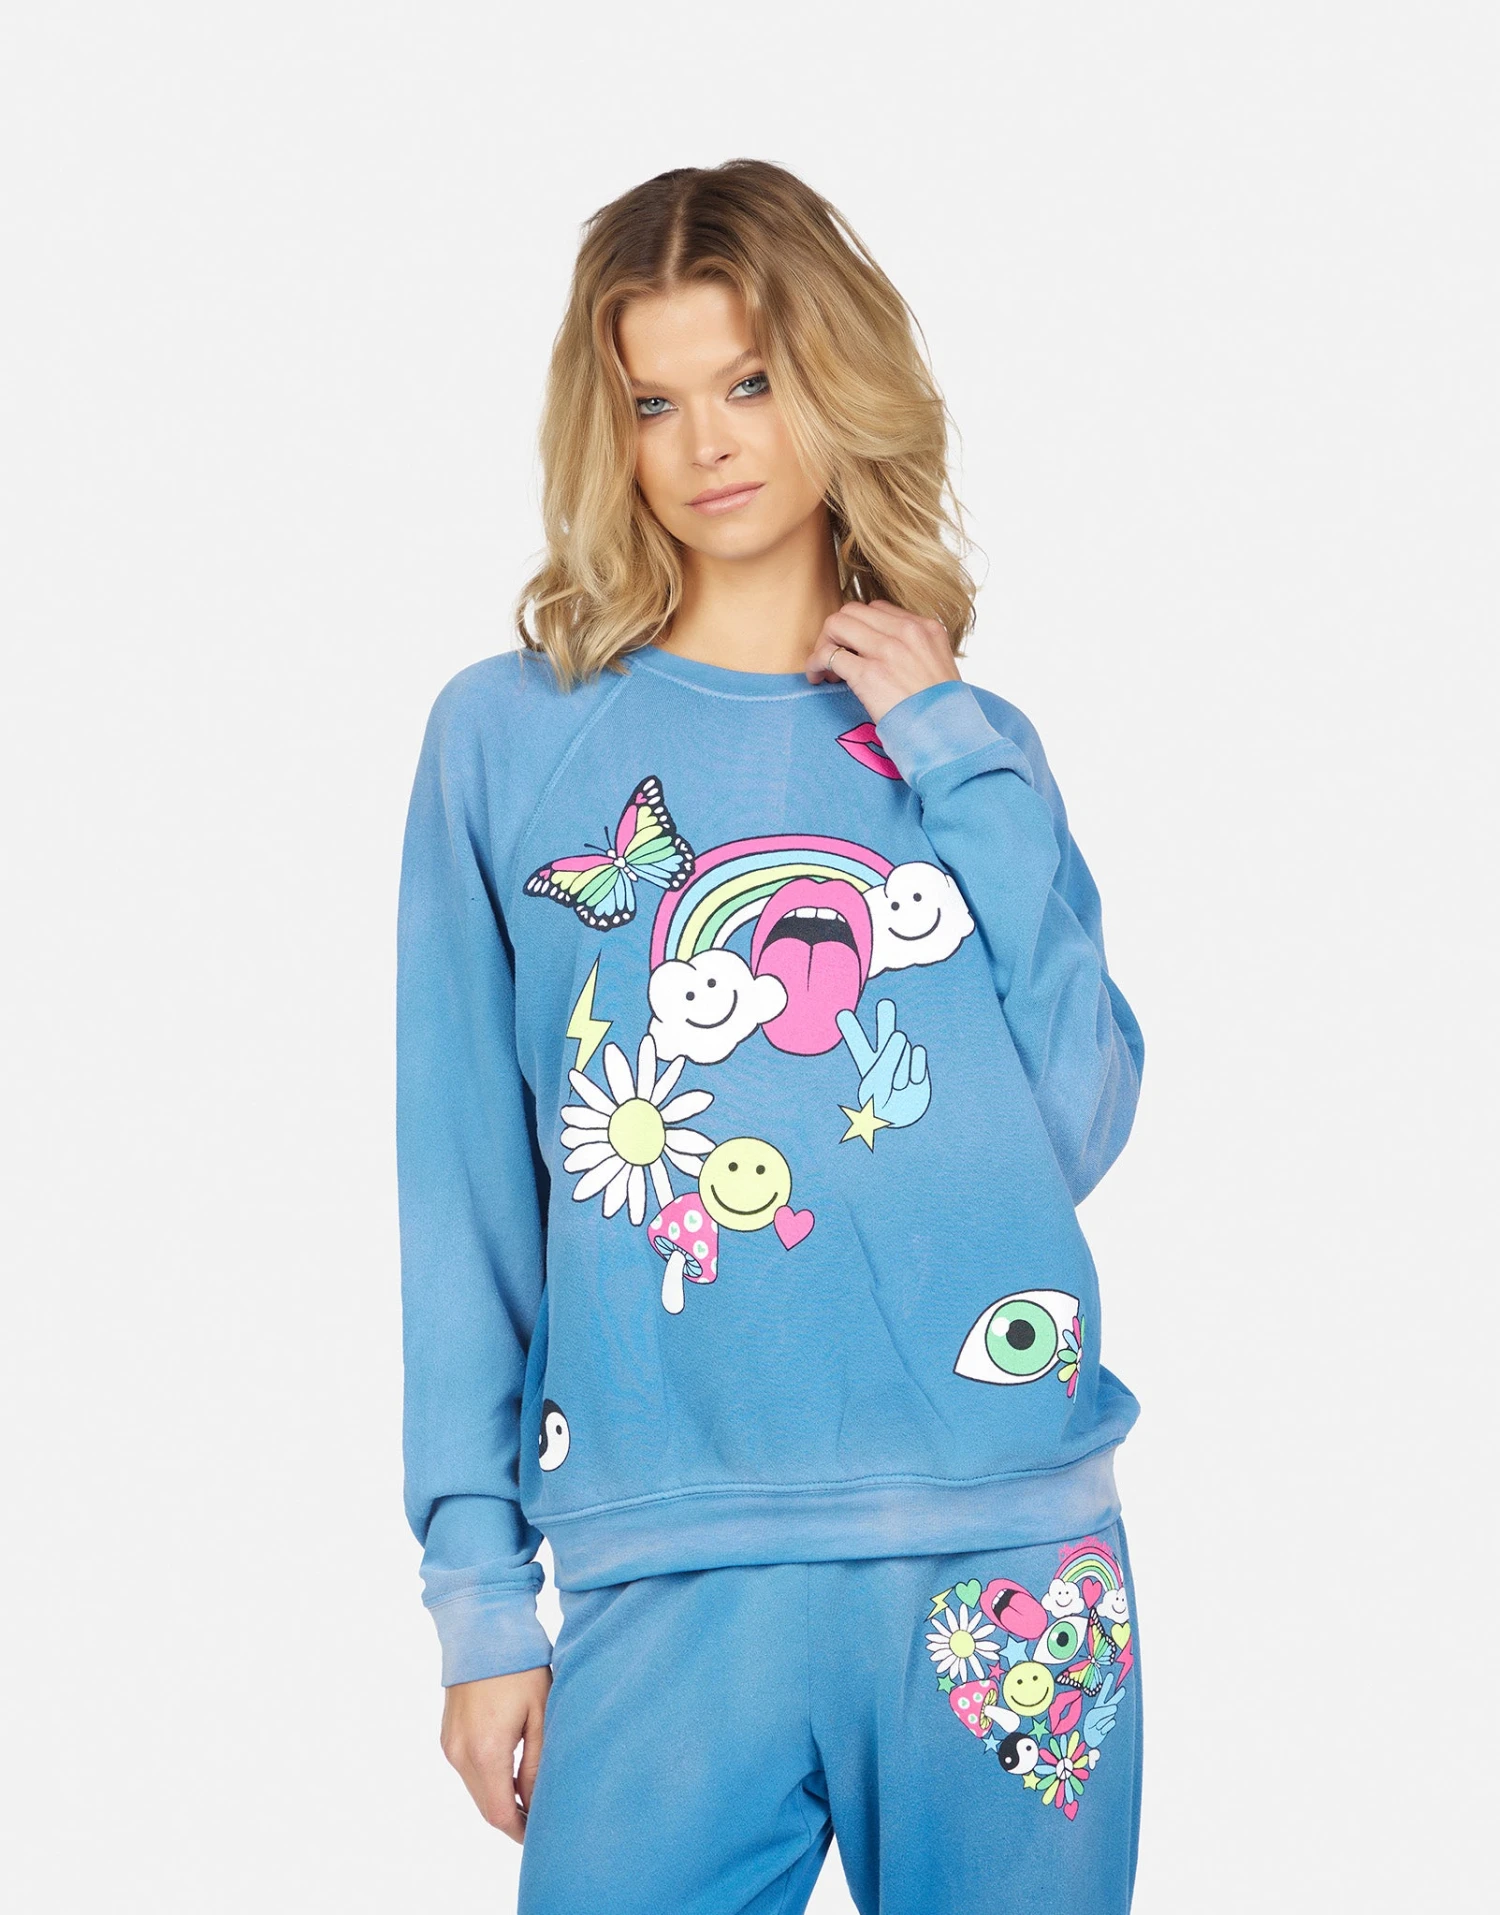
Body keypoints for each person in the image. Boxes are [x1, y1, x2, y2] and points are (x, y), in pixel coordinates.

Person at [397, 159, 1146, 1915]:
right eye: (653, 400)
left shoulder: (966, 741)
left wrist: (956, 752)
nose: (706, 443)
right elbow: (464, 1194)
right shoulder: (511, 740)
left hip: (1004, 1557)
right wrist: (480, 1599)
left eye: (748, 381)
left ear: (837, 381)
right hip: (666, 1565)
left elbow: (1080, 1120)